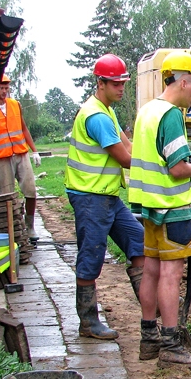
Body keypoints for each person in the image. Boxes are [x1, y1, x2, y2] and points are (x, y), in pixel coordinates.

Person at [129, 51, 191, 367]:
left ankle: (148, 339)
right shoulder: (171, 115)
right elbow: (177, 168)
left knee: (151, 270)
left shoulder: (147, 111)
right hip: (171, 207)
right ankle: (171, 344)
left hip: (149, 207)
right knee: (171, 274)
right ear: (183, 81)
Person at [65, 54, 146, 341]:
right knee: (91, 256)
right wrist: (162, 167)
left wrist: (154, 152)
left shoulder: (107, 110)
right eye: (115, 83)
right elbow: (125, 158)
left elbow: (129, 146)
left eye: (123, 82)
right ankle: (88, 321)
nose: (121, 88)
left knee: (138, 241)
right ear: (100, 83)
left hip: (107, 196)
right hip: (90, 197)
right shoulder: (96, 116)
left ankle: (152, 308)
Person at [0, 75, 41, 240]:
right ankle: (12, 229)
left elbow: (24, 128)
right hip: (2, 158)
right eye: (1, 88)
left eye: (6, 88)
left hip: (21, 153)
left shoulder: (15, 105)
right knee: (6, 196)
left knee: (31, 191)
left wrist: (34, 151)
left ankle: (30, 226)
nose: (4, 91)